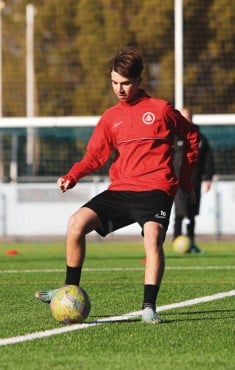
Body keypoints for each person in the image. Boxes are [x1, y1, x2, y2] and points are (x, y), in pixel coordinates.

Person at [35, 47, 199, 324]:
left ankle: (148, 307)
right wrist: (72, 176)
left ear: (138, 80)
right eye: (114, 82)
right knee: (76, 223)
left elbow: (191, 136)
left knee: (152, 237)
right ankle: (68, 289)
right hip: (121, 189)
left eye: (124, 83)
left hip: (156, 189)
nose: (119, 89)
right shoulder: (111, 117)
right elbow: (94, 156)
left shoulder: (161, 110)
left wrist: (185, 181)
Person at [173, 107, 214, 253]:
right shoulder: (174, 136)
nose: (186, 120)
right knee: (179, 213)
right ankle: (176, 241)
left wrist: (208, 178)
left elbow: (208, 159)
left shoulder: (200, 138)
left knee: (191, 214)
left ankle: (191, 243)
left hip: (194, 181)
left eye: (188, 117)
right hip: (177, 182)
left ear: (191, 118)